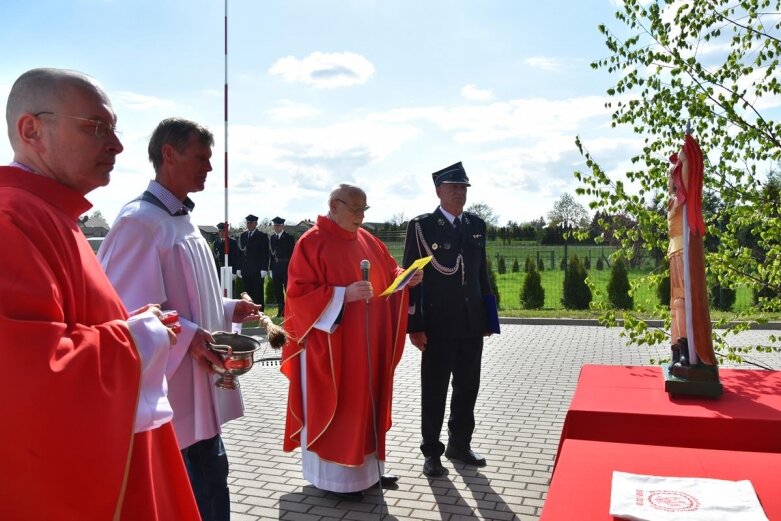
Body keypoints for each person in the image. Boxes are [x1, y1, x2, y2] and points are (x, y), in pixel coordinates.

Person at [0, 68, 199, 519]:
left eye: (114, 129)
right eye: (96, 128)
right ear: (31, 130)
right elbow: (26, 374)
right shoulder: (12, 219)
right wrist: (138, 339)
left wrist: (130, 326)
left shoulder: (51, 213)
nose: (116, 145)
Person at [99, 117, 261, 521]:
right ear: (168, 155)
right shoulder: (139, 222)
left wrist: (225, 308)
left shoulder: (178, 219)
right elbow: (127, 310)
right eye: (201, 158)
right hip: (173, 394)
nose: (208, 168)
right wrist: (190, 336)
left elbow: (183, 296)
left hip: (196, 383)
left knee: (211, 484)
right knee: (194, 493)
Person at [280, 184, 422, 497]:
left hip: (370, 346)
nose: (360, 216)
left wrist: (405, 277)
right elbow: (297, 297)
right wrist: (342, 295)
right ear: (334, 205)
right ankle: (335, 481)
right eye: (355, 208)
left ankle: (370, 473)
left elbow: (388, 271)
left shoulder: (368, 239)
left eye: (364, 209)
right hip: (332, 350)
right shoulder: (312, 242)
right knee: (342, 409)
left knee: (367, 406)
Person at [403, 161, 496, 477]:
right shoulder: (421, 227)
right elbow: (411, 279)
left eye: (463, 187)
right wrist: (414, 325)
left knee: (468, 387)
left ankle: (460, 443)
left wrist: (488, 318)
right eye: (453, 187)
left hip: (471, 322)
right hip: (437, 325)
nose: (459, 192)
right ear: (438, 191)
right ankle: (432, 452)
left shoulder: (476, 225)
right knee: (434, 389)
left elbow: (482, 274)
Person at [666, 134, 719, 381]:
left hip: (684, 252)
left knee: (686, 302)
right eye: (670, 175)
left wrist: (686, 159)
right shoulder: (671, 202)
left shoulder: (684, 201)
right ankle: (677, 350)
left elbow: (688, 177)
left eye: (674, 175)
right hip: (673, 254)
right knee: (676, 305)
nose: (671, 178)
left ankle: (689, 349)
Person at [238, 213, 270, 308]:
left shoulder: (262, 236)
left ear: (256, 224)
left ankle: (259, 311)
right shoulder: (243, 235)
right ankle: (249, 311)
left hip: (257, 269)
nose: (249, 225)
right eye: (248, 223)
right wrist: (239, 268)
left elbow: (265, 253)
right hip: (245, 269)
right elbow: (239, 253)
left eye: (251, 223)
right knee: (247, 292)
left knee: (257, 292)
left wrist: (264, 268)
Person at [270, 215, 296, 316]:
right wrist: (270, 269)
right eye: (275, 225)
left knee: (287, 289)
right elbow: (271, 254)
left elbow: (292, 253)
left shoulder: (289, 237)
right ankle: (280, 310)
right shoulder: (272, 238)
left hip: (285, 266)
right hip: (275, 267)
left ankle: (289, 310)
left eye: (278, 225)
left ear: (282, 226)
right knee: (277, 290)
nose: (276, 227)